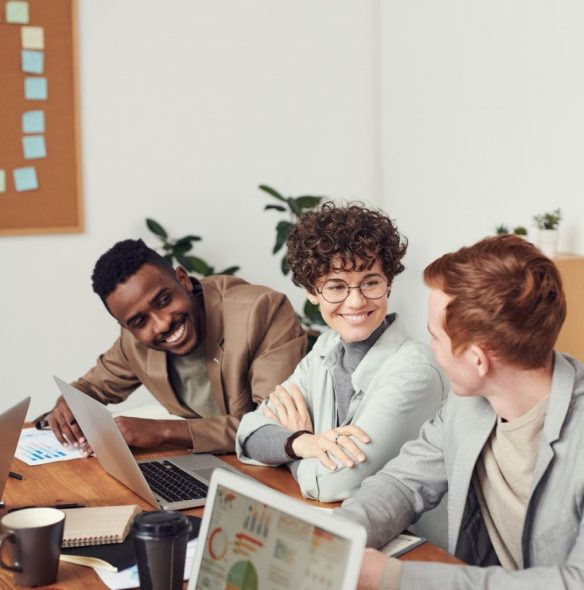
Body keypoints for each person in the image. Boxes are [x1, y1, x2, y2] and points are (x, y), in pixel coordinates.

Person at [334, 234, 584, 589]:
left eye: (435, 337)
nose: (430, 349)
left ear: (477, 360)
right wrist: (336, 536)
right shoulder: (466, 403)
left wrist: (394, 577)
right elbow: (402, 483)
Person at [236, 202, 446, 502]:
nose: (356, 302)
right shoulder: (326, 347)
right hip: (338, 526)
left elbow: (333, 484)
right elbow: (249, 432)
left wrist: (288, 449)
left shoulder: (415, 373)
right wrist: (302, 443)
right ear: (311, 292)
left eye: (370, 283)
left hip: (410, 544)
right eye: (336, 287)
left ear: (388, 284)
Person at [38, 239, 306, 454]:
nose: (162, 324)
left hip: (273, 472)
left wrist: (163, 431)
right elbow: (90, 388)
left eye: (164, 300)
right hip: (209, 466)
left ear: (183, 279)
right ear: (126, 326)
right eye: (139, 321)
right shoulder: (133, 342)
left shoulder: (262, 311)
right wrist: (66, 405)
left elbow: (272, 426)